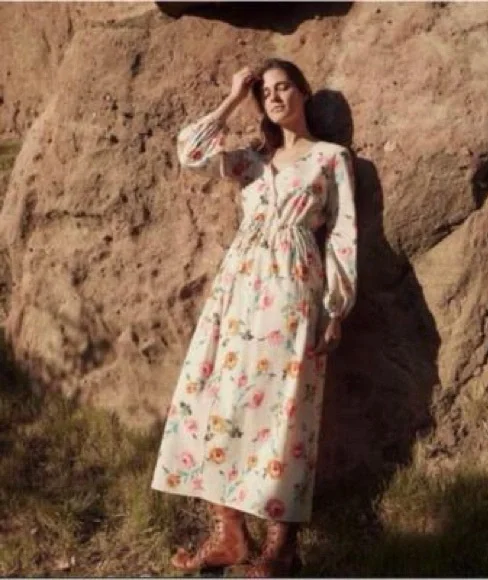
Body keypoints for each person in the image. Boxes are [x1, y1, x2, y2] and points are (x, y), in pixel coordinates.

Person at [151, 58, 357, 577]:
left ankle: (281, 547)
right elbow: (190, 153)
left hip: (292, 291)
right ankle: (230, 535)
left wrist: (335, 308)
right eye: (265, 92)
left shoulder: (331, 158)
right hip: (237, 291)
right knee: (213, 399)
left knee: (284, 410)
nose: (275, 97)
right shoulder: (252, 162)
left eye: (284, 87)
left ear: (303, 93)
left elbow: (343, 235)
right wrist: (233, 97)